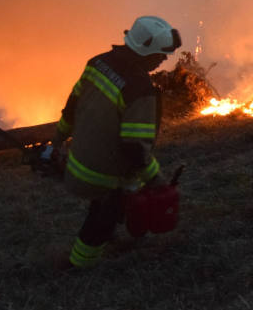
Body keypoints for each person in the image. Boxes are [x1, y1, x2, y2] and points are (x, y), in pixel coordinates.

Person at [52, 16, 180, 269]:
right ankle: (80, 266)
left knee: (108, 204)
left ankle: (110, 235)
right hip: (101, 176)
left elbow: (72, 107)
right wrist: (156, 179)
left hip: (76, 162)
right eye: (160, 55)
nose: (163, 60)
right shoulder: (140, 88)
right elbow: (134, 146)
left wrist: (57, 138)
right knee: (104, 217)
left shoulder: (98, 63)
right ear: (144, 52)